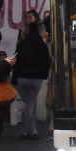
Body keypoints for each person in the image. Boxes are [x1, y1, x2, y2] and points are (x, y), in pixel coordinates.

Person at [13, 11, 51, 141]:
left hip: (22, 78)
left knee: (29, 103)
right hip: (36, 78)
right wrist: (44, 75)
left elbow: (15, 61)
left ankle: (31, 130)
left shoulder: (21, 44)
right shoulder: (42, 45)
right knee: (31, 103)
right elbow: (47, 61)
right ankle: (28, 131)